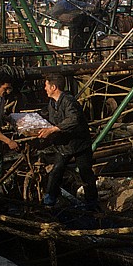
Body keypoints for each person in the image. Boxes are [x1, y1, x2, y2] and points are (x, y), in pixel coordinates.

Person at [37, 74, 98, 208]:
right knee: (56, 171)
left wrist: (52, 129)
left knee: (85, 172)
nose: (44, 89)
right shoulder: (52, 102)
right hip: (64, 145)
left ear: (54, 87)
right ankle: (49, 201)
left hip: (79, 144)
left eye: (46, 86)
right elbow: (46, 114)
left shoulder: (69, 101)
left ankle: (92, 203)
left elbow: (73, 119)